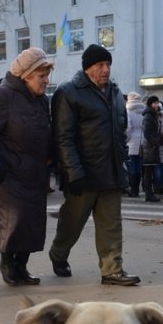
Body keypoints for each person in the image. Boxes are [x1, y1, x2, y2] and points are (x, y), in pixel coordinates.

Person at [48, 43, 140, 286]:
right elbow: (63, 137)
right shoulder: (68, 92)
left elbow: (120, 133)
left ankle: (112, 270)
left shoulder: (116, 93)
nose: (106, 69)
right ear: (87, 68)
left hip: (111, 172)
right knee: (72, 223)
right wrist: (73, 172)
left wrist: (123, 165)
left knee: (111, 224)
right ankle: (58, 253)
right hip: (83, 173)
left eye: (108, 64)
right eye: (100, 65)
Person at [0, 47, 54, 286]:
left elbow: (44, 132)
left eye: (47, 75)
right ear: (26, 76)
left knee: (31, 223)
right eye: (42, 76)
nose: (46, 81)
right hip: (8, 173)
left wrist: (53, 156)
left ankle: (22, 266)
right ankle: (7, 263)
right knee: (13, 223)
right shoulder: (3, 96)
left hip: (35, 172)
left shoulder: (41, 101)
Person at [141, 95, 163, 203]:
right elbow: (147, 132)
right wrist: (155, 143)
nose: (157, 105)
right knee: (148, 171)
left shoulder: (153, 114)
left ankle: (149, 194)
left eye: (157, 103)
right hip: (149, 147)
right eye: (155, 103)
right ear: (150, 104)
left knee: (150, 171)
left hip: (151, 146)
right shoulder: (149, 116)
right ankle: (149, 194)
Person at [125, 91, 145, 197]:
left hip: (132, 142)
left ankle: (134, 190)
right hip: (142, 141)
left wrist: (127, 140)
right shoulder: (143, 110)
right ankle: (137, 187)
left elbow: (128, 128)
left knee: (132, 166)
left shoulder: (128, 111)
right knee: (139, 166)